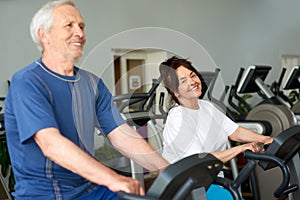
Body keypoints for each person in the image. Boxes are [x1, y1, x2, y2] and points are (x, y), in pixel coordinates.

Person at [4, 1, 169, 199]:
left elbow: (121, 134)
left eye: (81, 26)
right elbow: (51, 144)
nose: (80, 33)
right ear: (44, 35)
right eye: (69, 25)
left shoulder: (92, 83)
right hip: (44, 194)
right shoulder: (28, 81)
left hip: (89, 189)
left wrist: (165, 168)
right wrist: (113, 178)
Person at [159, 56, 274, 199]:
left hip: (210, 181)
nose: (192, 82)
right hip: (187, 187)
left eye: (192, 75)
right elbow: (200, 161)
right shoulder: (177, 118)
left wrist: (266, 139)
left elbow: (235, 131)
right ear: (175, 92)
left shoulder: (207, 106)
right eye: (183, 81)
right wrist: (241, 148)